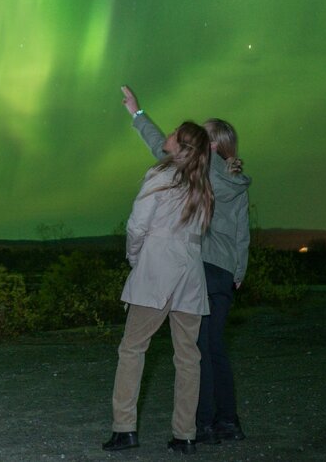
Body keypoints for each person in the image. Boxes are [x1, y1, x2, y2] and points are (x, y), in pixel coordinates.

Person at [121, 86, 251, 444]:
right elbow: (242, 230)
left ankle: (203, 424)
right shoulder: (235, 180)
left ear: (209, 146)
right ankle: (227, 421)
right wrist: (238, 270)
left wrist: (137, 115)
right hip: (223, 270)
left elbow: (161, 148)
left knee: (193, 350)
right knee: (211, 348)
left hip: (194, 263)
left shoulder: (200, 174)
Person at [103, 117, 213, 455]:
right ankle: (186, 435)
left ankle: (125, 429)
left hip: (157, 270)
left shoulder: (160, 177)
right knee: (188, 358)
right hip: (191, 276)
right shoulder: (201, 185)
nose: (166, 136)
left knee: (132, 349)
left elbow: (137, 226)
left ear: (180, 147)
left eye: (172, 134)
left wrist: (135, 259)